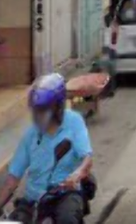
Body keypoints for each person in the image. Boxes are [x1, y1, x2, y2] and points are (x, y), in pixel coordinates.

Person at [0, 73, 93, 224]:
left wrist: (77, 174)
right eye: (35, 110)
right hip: (34, 200)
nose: (38, 115)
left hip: (64, 194)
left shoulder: (74, 122)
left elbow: (87, 159)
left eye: (43, 109)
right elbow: (13, 179)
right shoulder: (30, 135)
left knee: (67, 219)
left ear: (57, 108)